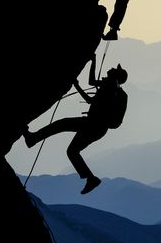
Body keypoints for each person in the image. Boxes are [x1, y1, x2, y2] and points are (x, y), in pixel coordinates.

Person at [23, 56, 128, 194]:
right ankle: (90, 178)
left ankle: (33, 139)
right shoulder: (117, 91)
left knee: (61, 124)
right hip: (98, 128)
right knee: (72, 150)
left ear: (116, 76)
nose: (112, 68)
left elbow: (89, 98)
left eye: (115, 69)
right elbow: (92, 82)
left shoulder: (109, 87)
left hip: (92, 124)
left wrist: (78, 83)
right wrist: (93, 62)